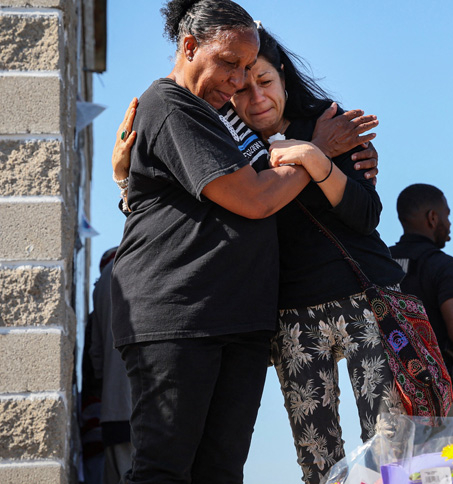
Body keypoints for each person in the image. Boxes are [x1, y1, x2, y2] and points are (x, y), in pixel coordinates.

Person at [110, 1, 337, 482]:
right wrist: (317, 154)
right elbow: (254, 199)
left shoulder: (220, 119)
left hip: (240, 320)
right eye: (229, 64)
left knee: (220, 472)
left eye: (247, 68)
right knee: (164, 470)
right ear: (189, 47)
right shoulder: (169, 105)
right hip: (179, 316)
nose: (238, 81)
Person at [231, 26, 406, 484]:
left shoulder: (330, 127)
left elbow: (366, 216)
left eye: (264, 81)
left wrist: (313, 155)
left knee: (391, 453)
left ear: (283, 75)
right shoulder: (228, 155)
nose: (256, 97)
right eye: (242, 89)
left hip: (369, 301)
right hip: (291, 318)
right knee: (318, 464)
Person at [389, 184, 453, 416]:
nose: (449, 223)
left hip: (386, 396)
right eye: (447, 215)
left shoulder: (380, 263)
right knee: (447, 454)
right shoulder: (444, 266)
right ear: (432, 218)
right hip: (439, 399)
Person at [89, 247, 133, 484]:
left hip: (115, 408)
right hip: (154, 405)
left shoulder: (102, 282)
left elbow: (96, 353)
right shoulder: (146, 261)